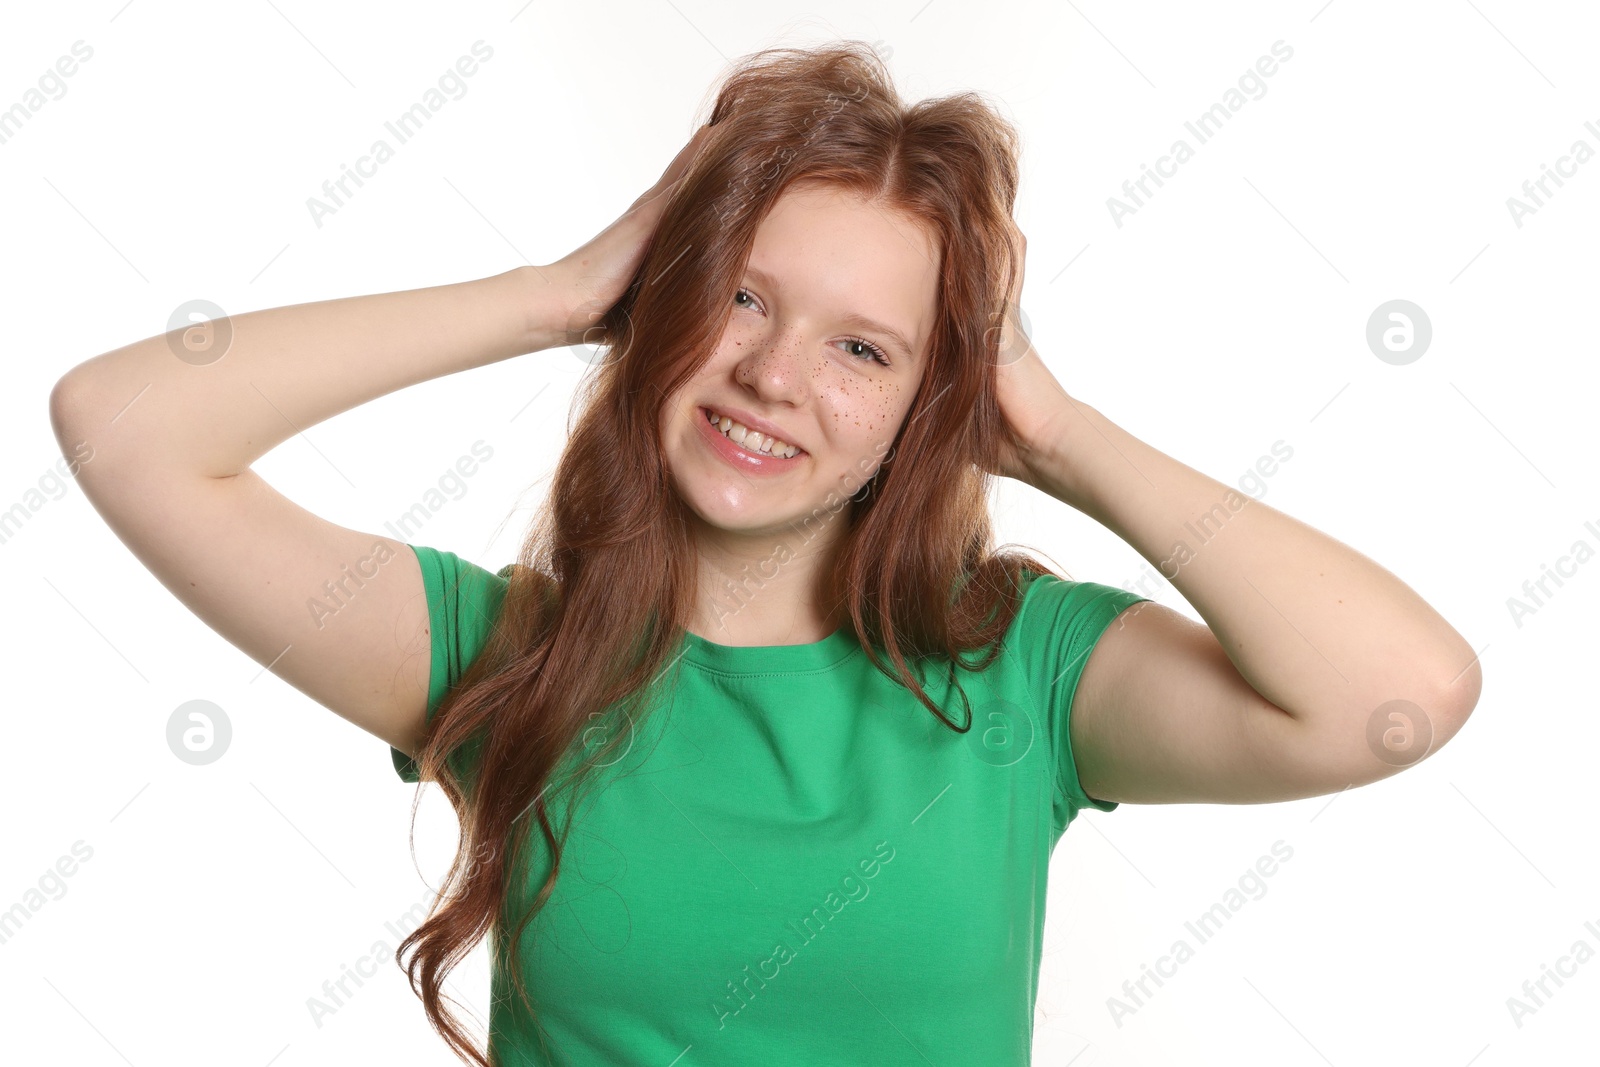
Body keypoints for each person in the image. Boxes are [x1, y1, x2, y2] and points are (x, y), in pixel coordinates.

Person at [48, 40, 1481, 1067]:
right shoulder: (502, 660)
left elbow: (1394, 691)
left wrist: (1053, 432)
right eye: (741, 298)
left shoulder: (1021, 681)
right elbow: (122, 425)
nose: (776, 375)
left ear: (933, 401)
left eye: (863, 348)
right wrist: (555, 296)